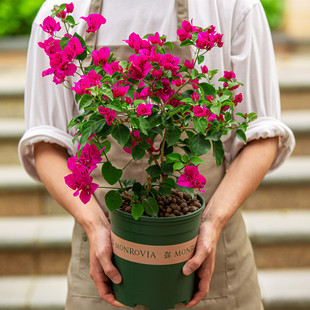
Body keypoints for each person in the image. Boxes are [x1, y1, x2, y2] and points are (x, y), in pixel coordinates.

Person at [19, 0, 295, 309]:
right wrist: (94, 225)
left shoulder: (232, 6)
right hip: (107, 258)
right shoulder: (62, 11)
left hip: (210, 255)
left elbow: (263, 134)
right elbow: (46, 143)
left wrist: (212, 222)